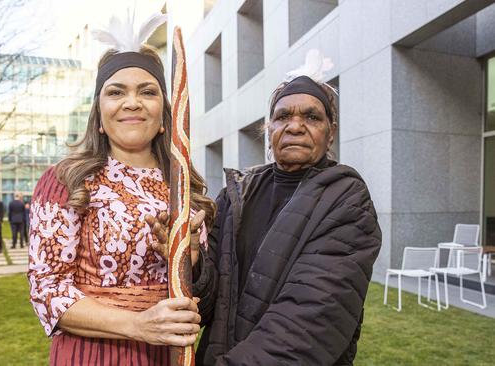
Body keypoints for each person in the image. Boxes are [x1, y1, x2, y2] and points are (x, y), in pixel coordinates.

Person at [27, 12, 215, 365]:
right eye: (116, 92)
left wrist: (187, 257)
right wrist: (139, 325)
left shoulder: (184, 187)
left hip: (172, 352)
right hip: (96, 353)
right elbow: (47, 291)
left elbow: (204, 286)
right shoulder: (68, 180)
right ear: (99, 114)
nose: (132, 102)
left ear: (164, 114)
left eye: (147, 91)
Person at [181, 72, 382, 365]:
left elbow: (310, 323)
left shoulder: (347, 200)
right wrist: (194, 264)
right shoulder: (236, 194)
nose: (296, 126)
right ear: (269, 127)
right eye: (283, 116)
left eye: (312, 117)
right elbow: (208, 303)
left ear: (331, 132)